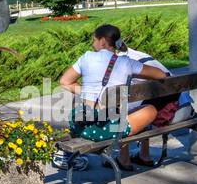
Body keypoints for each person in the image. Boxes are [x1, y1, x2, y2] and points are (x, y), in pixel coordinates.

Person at [57, 25, 168, 170]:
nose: (93, 43)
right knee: (150, 110)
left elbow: (64, 82)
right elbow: (161, 75)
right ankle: (132, 156)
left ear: (102, 41)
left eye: (94, 40)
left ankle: (125, 158)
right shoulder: (126, 62)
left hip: (81, 125)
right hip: (111, 129)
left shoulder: (86, 58)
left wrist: (89, 92)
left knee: (123, 112)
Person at [118, 42, 189, 167]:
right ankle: (144, 155)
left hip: (170, 115)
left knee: (122, 112)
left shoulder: (124, 63)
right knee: (141, 105)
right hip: (184, 107)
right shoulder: (140, 55)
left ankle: (123, 158)